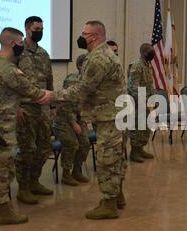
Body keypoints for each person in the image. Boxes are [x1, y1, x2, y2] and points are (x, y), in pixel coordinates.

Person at [0, 27, 52, 225]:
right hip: (2, 125)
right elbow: (33, 92)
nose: (22, 47)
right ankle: (4, 210)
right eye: (20, 43)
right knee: (5, 166)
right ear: (11, 44)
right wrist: (55, 97)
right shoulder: (9, 70)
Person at [54, 21, 127, 220]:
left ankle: (109, 204)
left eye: (84, 33)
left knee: (107, 160)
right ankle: (117, 196)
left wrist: (51, 96)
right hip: (111, 114)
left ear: (94, 36)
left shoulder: (99, 59)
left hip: (109, 117)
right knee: (114, 157)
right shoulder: (99, 55)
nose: (81, 36)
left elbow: (81, 90)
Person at [15, 16, 55, 205]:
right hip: (25, 109)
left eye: (42, 28)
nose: (40, 31)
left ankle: (34, 181)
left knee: (44, 147)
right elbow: (9, 82)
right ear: (27, 29)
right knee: (27, 149)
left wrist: (53, 105)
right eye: (37, 28)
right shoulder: (17, 52)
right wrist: (16, 107)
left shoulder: (44, 53)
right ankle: (23, 188)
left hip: (43, 109)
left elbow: (49, 80)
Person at [54, 54, 90, 186]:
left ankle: (77, 170)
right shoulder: (72, 80)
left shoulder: (87, 81)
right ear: (80, 66)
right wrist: (73, 123)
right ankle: (66, 174)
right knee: (72, 144)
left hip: (77, 117)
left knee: (85, 143)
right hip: (64, 118)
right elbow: (65, 105)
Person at [127, 43, 156, 163]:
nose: (152, 54)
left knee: (145, 127)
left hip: (147, 102)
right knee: (138, 127)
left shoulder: (147, 65)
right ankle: (134, 152)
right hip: (138, 102)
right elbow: (133, 86)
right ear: (143, 53)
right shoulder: (137, 65)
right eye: (150, 51)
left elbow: (149, 84)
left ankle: (141, 149)